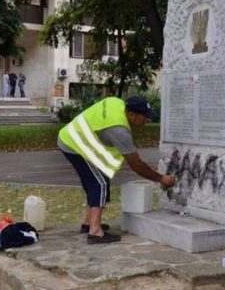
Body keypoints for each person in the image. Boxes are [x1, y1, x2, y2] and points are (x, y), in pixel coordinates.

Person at [57, 96, 175, 244]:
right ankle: (95, 232)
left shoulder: (117, 103)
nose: (147, 121)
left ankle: (89, 223)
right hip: (73, 145)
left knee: (100, 178)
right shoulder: (119, 130)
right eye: (144, 117)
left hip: (75, 138)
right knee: (99, 184)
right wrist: (160, 178)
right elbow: (135, 164)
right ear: (131, 114)